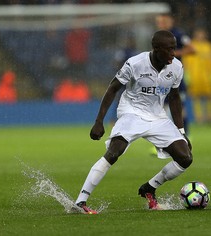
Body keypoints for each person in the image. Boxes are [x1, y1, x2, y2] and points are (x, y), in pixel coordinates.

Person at [74, 30, 192, 214]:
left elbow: (175, 98)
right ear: (156, 49)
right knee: (114, 152)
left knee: (185, 157)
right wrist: (99, 121)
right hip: (132, 112)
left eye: (174, 49)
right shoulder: (135, 63)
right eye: (169, 49)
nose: (173, 53)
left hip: (158, 116)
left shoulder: (176, 67)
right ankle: (80, 201)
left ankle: (150, 188)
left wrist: (181, 132)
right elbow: (112, 89)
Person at [155, 13, 195, 134]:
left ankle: (185, 136)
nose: (160, 24)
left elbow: (192, 49)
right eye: (159, 22)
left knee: (179, 108)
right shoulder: (158, 37)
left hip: (176, 76)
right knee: (163, 108)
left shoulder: (178, 34)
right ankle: (166, 140)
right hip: (163, 77)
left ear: (170, 21)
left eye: (162, 22)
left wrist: (174, 54)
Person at [183, 28, 211, 124]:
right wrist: (186, 75)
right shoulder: (191, 45)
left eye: (202, 33)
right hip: (195, 75)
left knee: (210, 96)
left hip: (207, 76)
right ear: (195, 34)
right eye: (199, 33)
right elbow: (186, 61)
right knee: (196, 97)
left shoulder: (208, 46)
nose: (200, 35)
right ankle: (199, 118)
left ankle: (210, 116)